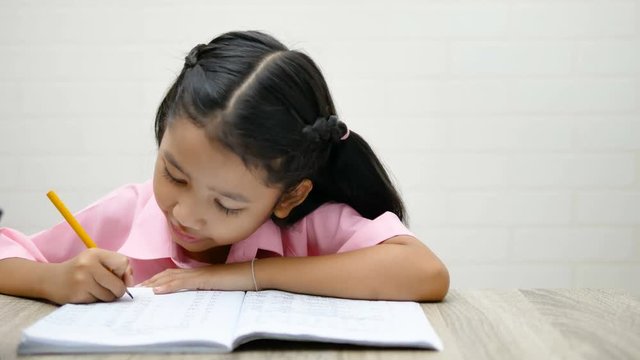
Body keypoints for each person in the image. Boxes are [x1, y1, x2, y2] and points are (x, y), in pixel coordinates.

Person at [0, 31, 449, 305]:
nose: (185, 215)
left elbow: (426, 273)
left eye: (227, 204)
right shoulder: (130, 211)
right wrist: (52, 280)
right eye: (174, 175)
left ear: (289, 195)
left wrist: (240, 276)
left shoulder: (309, 226)